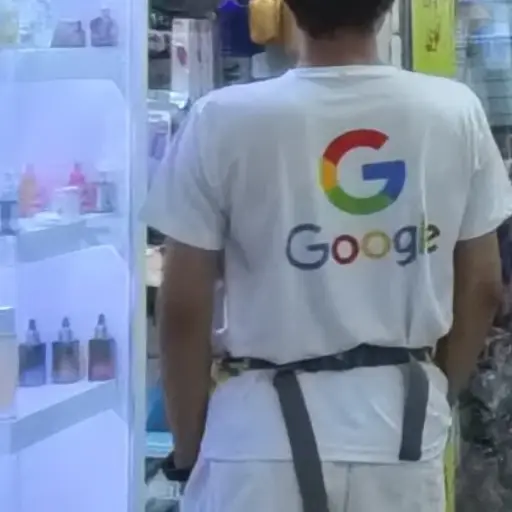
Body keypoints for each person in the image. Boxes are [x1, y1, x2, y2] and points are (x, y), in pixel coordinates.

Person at [140, 0, 512, 510]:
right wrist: (433, 395)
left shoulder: (222, 119)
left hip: (256, 437)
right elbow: (483, 286)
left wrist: (188, 452)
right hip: (402, 431)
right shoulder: (454, 111)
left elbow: (183, 310)